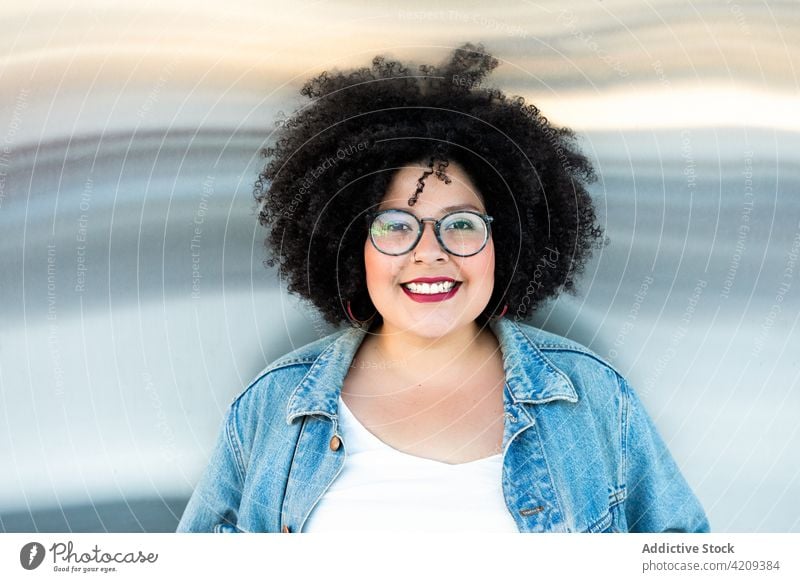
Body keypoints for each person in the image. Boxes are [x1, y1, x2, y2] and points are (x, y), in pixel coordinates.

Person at [177, 43, 709, 533]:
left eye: (461, 223)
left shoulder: (592, 396)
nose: (430, 251)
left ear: (507, 241)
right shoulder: (273, 405)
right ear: (348, 245)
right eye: (394, 225)